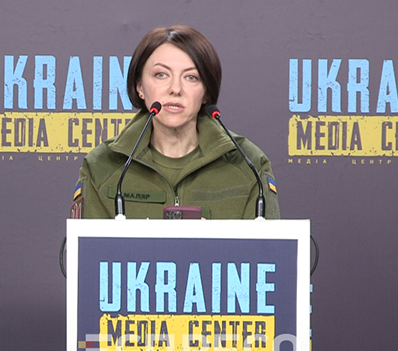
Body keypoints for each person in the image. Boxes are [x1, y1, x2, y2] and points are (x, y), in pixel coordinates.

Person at [72, 25, 279, 219]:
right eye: (161, 75)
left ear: (206, 92)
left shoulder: (249, 164)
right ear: (139, 87)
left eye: (191, 77)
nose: (175, 89)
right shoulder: (102, 165)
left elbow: (267, 246)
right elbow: (86, 246)